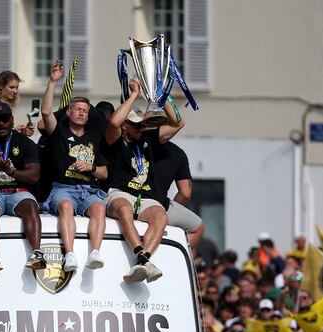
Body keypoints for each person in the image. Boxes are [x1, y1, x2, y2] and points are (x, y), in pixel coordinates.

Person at [103, 78, 183, 284]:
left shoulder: (148, 140)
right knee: (124, 210)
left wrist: (156, 94)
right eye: (136, 125)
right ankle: (139, 254)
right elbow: (113, 122)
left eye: (142, 126)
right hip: (120, 192)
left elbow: (178, 122)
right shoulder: (115, 140)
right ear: (125, 126)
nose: (141, 129)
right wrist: (133, 95)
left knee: (161, 217)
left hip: (146, 196)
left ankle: (144, 260)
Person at [40, 59, 108, 272]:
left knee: (99, 207)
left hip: (88, 190)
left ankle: (95, 253)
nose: (81, 113)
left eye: (85, 111)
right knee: (66, 206)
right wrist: (52, 82)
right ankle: (69, 255)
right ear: (68, 112)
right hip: (64, 188)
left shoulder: (93, 139)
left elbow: (105, 173)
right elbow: (45, 113)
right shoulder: (59, 133)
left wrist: (91, 168)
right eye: (77, 109)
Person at [0, 99, 45, 273]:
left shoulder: (26, 143)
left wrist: (12, 172)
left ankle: (36, 253)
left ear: (11, 119)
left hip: (18, 191)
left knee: (30, 205)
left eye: (4, 119)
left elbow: (34, 176)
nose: (1, 123)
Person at [151, 141, 205, 248]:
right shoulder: (177, 153)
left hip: (125, 201)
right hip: (160, 206)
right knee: (199, 227)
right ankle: (165, 255)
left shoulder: (134, 141)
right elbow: (185, 193)